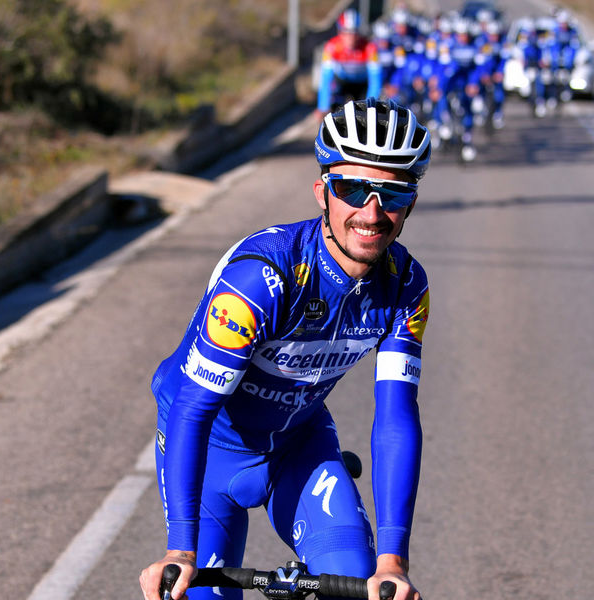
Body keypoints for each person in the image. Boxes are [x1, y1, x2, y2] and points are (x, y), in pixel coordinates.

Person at [139, 98, 431, 600]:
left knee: (357, 586)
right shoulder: (262, 280)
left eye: (393, 193)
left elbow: (396, 417)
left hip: (298, 444)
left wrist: (393, 561)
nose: (371, 212)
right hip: (211, 448)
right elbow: (192, 407)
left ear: (411, 203)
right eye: (353, 189)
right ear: (322, 192)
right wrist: (180, 552)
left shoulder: (405, 285)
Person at [317, 9, 383, 114]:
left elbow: (375, 81)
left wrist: (370, 107)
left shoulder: (370, 48)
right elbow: (326, 79)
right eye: (346, 32)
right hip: (342, 83)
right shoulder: (331, 47)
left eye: (354, 32)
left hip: (362, 84)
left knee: (365, 114)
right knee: (334, 111)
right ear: (339, 32)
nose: (350, 37)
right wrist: (323, 106)